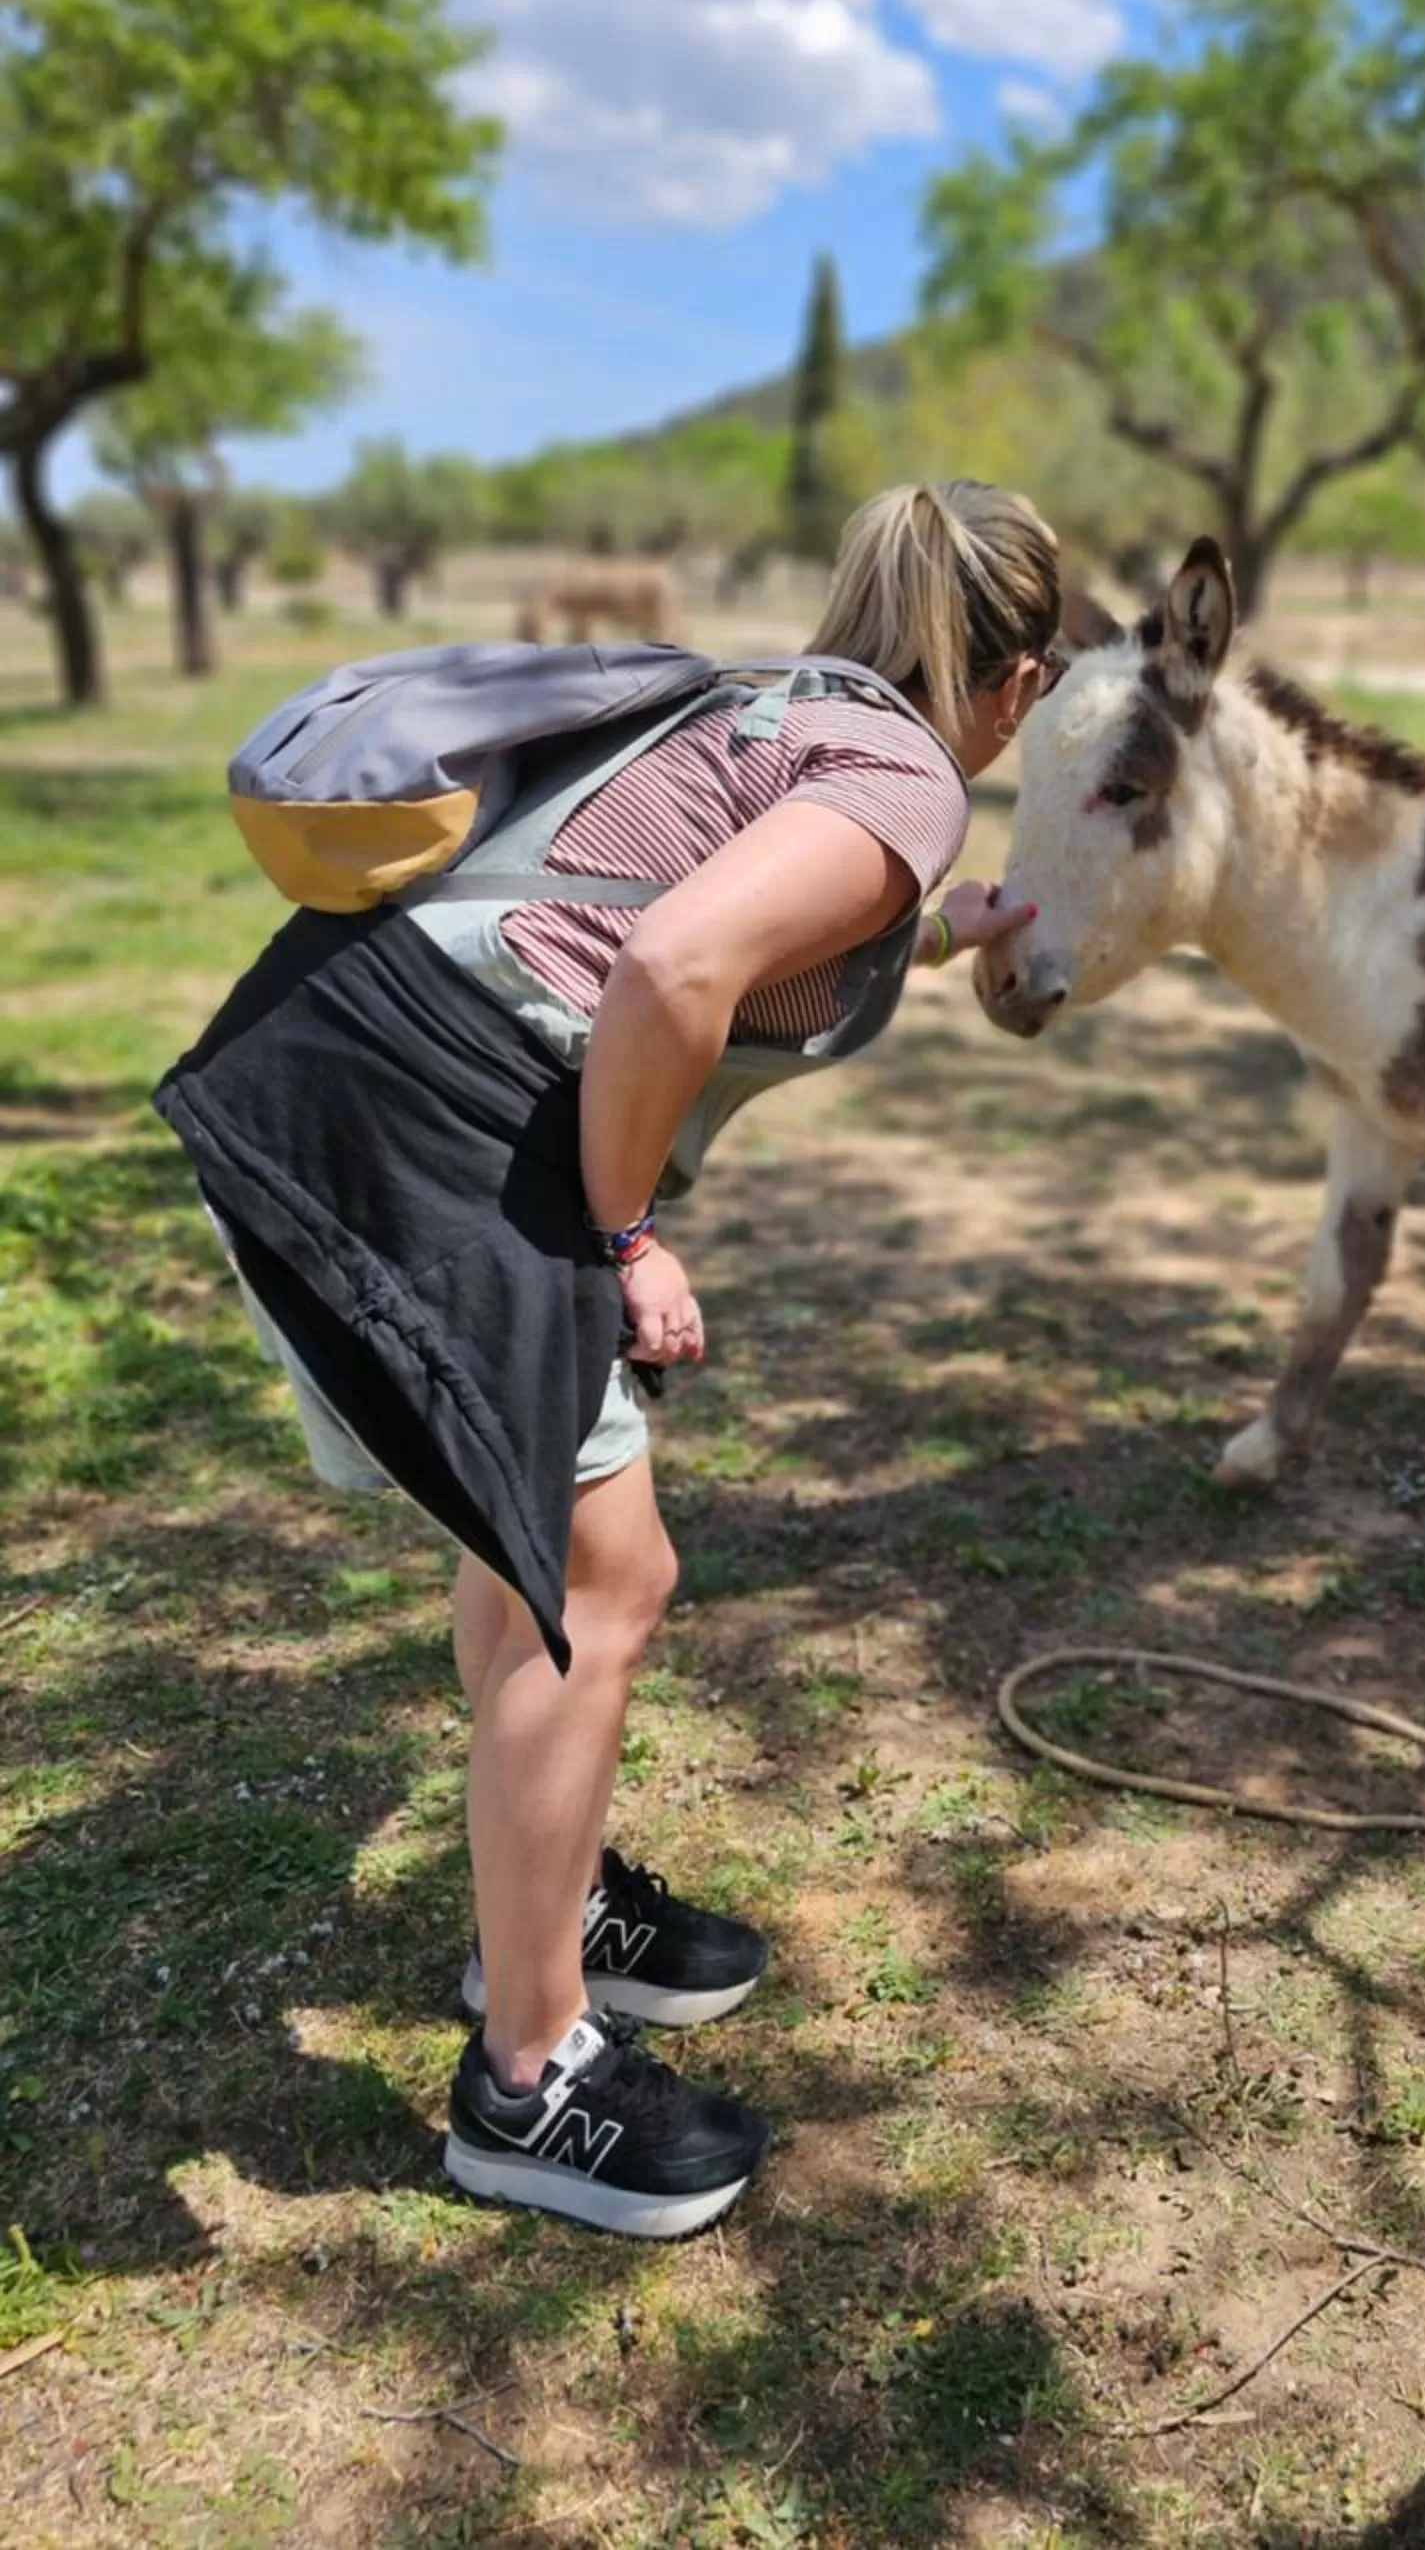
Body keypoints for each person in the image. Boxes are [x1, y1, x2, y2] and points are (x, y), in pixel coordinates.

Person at [156, 481, 1060, 2238]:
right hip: (427, 1120)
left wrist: (953, 931)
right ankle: (528, 2077)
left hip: (335, 1066)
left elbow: (707, 907)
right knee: (605, 1575)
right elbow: (672, 964)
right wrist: (626, 1232)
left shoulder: (774, 709)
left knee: (539, 1567)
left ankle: (546, 1917)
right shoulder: (906, 778)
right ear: (1016, 676)